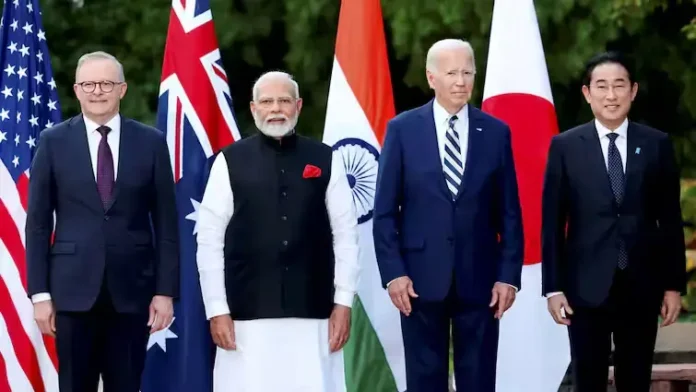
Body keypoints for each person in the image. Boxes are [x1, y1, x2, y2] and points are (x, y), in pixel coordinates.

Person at [373, 38, 524, 392]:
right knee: (425, 381)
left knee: (479, 379)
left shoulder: (496, 133)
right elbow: (384, 213)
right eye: (452, 72)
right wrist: (394, 274)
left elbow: (510, 213)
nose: (461, 81)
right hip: (419, 282)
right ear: (431, 77)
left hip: (482, 280)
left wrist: (508, 277)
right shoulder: (402, 130)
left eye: (468, 72)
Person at [195, 71, 360, 392]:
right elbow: (209, 239)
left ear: (298, 105)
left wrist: (343, 303)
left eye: (284, 100)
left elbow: (346, 235)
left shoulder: (325, 159)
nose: (276, 109)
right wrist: (217, 309)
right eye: (267, 101)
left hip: (314, 312)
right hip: (245, 315)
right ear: (254, 108)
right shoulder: (229, 161)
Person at [25, 51, 179, 392]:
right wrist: (39, 294)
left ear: (122, 89)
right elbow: (37, 224)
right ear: (77, 90)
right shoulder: (53, 142)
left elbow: (167, 223)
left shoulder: (151, 143)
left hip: (133, 292)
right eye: (89, 84)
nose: (98, 91)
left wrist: (165, 292)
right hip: (71, 293)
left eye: (106, 83)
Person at [541, 51, 686, 391]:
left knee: (634, 379)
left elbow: (670, 220)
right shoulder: (565, 147)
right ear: (587, 93)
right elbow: (552, 221)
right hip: (584, 287)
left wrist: (672, 285)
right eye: (602, 86)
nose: (611, 95)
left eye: (619, 86)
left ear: (632, 91)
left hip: (641, 283)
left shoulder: (656, 144)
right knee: (588, 379)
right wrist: (553, 287)